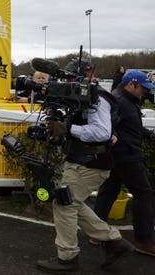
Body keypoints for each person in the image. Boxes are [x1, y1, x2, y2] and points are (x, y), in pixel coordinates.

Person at [36, 64, 133, 273]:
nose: (69, 82)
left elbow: (101, 132)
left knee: (64, 205)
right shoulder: (82, 97)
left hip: (90, 163)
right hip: (82, 161)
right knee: (74, 204)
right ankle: (114, 242)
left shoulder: (96, 98)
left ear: (88, 75)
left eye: (73, 78)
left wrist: (68, 128)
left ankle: (67, 258)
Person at [94, 70, 155, 256]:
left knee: (109, 191)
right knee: (143, 194)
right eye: (143, 89)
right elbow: (112, 129)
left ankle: (96, 233)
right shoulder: (121, 102)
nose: (144, 93)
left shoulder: (120, 99)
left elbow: (129, 126)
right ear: (132, 85)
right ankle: (144, 240)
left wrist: (148, 134)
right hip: (127, 156)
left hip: (116, 155)